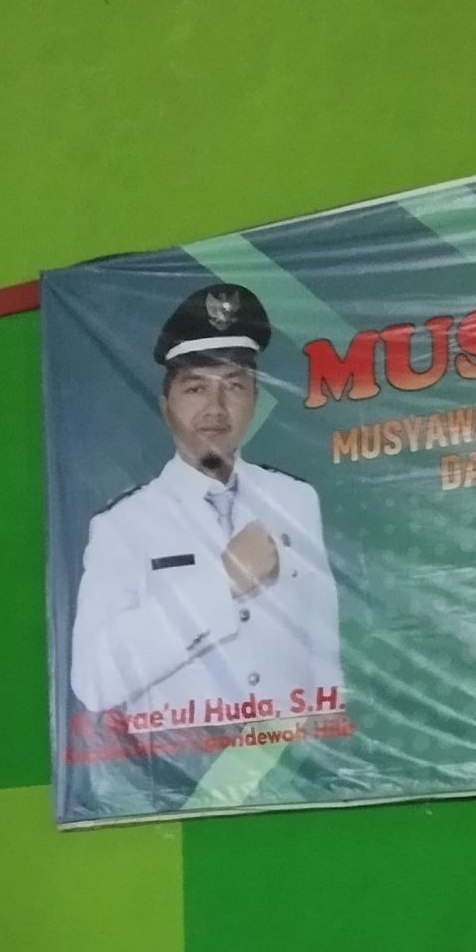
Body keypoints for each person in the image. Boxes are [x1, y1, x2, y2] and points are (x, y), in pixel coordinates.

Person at [66, 282, 343, 728]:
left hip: (291, 758)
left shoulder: (295, 499)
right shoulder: (123, 525)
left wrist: (328, 732)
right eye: (195, 388)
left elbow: (322, 649)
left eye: (234, 386)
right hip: (190, 768)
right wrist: (221, 582)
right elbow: (94, 681)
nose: (216, 408)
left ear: (255, 399)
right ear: (165, 406)